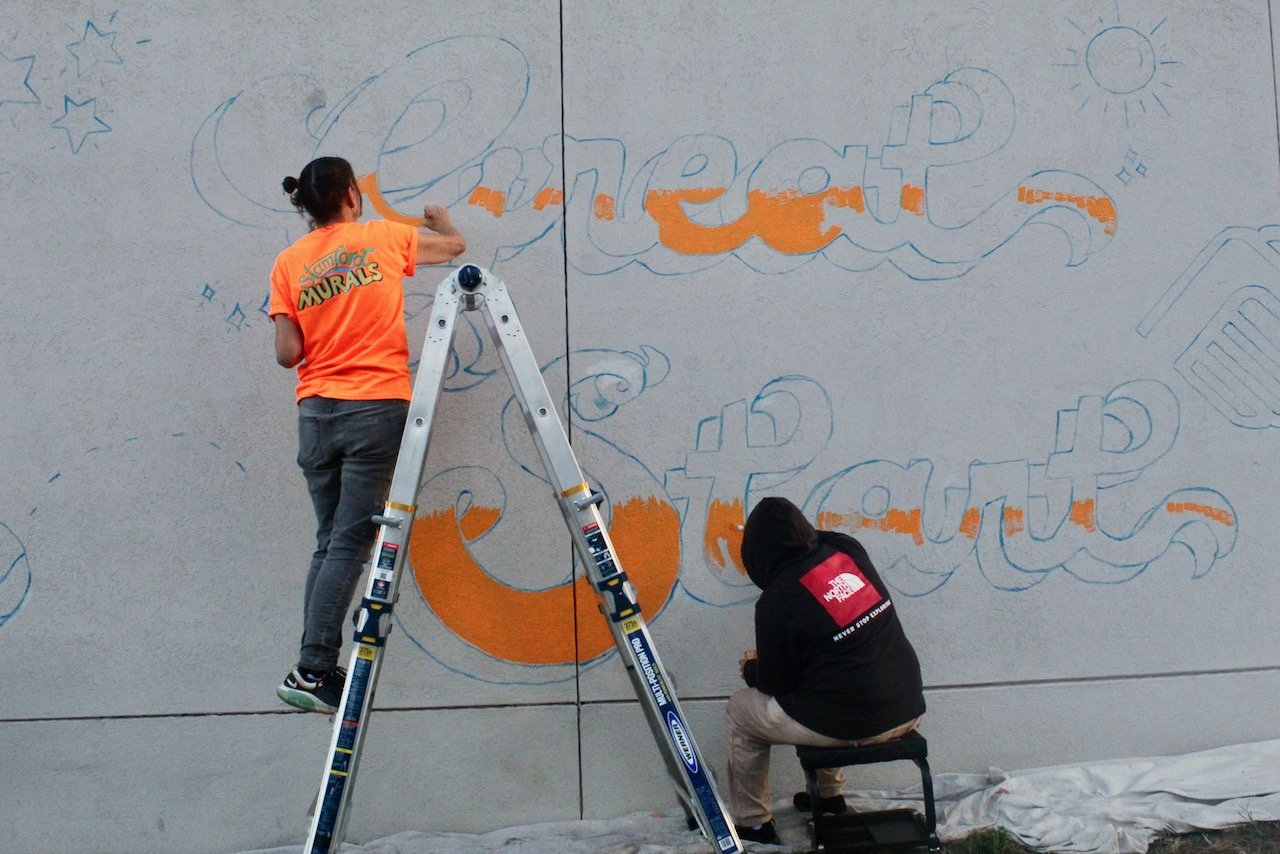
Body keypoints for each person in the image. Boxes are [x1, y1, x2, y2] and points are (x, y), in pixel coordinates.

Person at [268, 156, 466, 713]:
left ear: (305, 206)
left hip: (315, 415)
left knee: (331, 542)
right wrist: (440, 221)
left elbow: (287, 354)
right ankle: (311, 668)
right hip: (373, 409)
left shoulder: (288, 262)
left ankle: (313, 664)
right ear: (352, 195)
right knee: (350, 544)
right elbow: (455, 249)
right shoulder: (380, 238)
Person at [726, 496, 925, 844]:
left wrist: (751, 668)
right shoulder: (848, 551)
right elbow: (815, 538)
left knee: (743, 710)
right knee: (825, 680)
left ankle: (754, 822)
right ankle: (830, 798)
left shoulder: (776, 599)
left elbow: (777, 683)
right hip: (906, 708)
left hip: (851, 722)